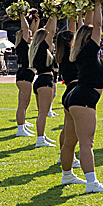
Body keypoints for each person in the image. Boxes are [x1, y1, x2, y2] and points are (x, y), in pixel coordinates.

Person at [65, 0, 103, 193]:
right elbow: (98, 25)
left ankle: (67, 175)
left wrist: (89, 6)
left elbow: (88, 25)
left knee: (70, 142)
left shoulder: (80, 50)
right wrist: (98, 2)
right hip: (84, 99)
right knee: (86, 143)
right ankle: (92, 183)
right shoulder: (88, 50)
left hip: (76, 97)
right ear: (89, 38)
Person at [55, 24, 83, 182]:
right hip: (74, 90)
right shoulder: (71, 54)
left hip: (68, 91)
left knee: (66, 129)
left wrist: (76, 17)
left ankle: (64, 156)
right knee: (74, 134)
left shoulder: (61, 53)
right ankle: (69, 159)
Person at [29, 9, 59, 148]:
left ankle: (42, 136)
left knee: (42, 112)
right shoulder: (41, 47)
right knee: (43, 113)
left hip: (40, 80)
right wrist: (54, 14)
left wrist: (50, 17)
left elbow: (47, 30)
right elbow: (51, 31)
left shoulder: (36, 48)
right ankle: (40, 139)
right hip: (45, 81)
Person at [13, 11, 40, 137]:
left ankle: (22, 124)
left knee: (26, 103)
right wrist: (22, 14)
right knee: (22, 104)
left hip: (26, 75)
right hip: (24, 75)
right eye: (28, 33)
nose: (31, 34)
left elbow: (33, 31)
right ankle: (20, 129)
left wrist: (36, 19)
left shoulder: (28, 44)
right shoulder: (22, 44)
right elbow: (26, 28)